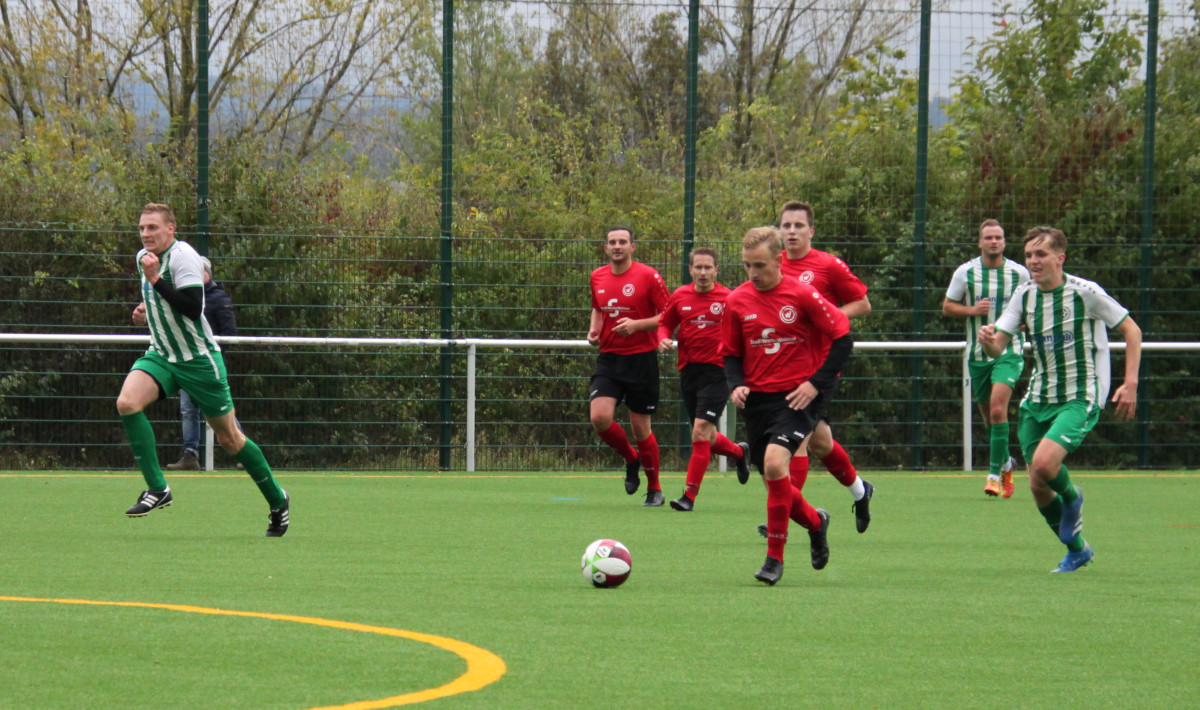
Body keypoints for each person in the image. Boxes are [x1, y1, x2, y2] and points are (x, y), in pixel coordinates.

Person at [117, 203, 290, 537]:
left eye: (153, 227)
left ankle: (277, 499)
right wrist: (144, 313)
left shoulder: (184, 257)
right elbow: (161, 303)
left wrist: (154, 280)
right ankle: (158, 489)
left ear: (171, 228)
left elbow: (193, 308)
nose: (145, 234)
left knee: (230, 438)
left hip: (197, 360)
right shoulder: (145, 257)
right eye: (142, 228)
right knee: (127, 403)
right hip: (163, 354)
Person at [978, 226, 1142, 573]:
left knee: (1044, 465)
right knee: (1037, 484)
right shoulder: (1024, 295)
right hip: (1038, 397)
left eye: (1041, 254)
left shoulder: (1085, 293)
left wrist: (1130, 383)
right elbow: (999, 346)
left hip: (1080, 395)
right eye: (1029, 256)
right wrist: (988, 339)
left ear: (1060, 258)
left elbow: (1132, 330)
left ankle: (1072, 498)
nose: (1034, 261)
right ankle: (1077, 549)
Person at [722, 226, 854, 585]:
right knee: (774, 482)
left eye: (760, 265)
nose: (752, 273)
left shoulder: (803, 294)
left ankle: (773, 560)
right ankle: (816, 523)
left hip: (797, 398)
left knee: (775, 463)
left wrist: (815, 384)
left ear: (779, 260)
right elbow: (731, 354)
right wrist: (736, 386)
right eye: (747, 265)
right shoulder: (737, 301)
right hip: (759, 402)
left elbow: (843, 339)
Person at [769, 200, 873, 533]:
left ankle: (784, 511)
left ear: (811, 231)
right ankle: (860, 490)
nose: (792, 231)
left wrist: (829, 317)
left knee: (797, 440)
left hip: (820, 367)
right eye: (786, 226)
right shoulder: (772, 265)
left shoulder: (828, 266)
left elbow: (863, 304)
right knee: (820, 441)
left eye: (799, 225)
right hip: (783, 365)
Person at [649, 247, 751, 511]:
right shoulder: (680, 295)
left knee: (699, 431)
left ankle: (689, 497)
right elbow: (664, 323)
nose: (703, 272)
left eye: (708, 267)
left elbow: (745, 330)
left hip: (718, 373)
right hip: (689, 371)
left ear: (717, 270)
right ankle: (740, 453)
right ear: (691, 269)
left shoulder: (730, 298)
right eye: (699, 267)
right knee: (706, 435)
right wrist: (662, 339)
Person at [943, 219, 1029, 498]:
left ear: (1004, 242)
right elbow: (947, 307)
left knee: (997, 410)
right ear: (980, 242)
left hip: (1009, 351)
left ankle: (994, 475)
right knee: (990, 420)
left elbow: (1033, 307)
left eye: (999, 237)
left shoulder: (1020, 273)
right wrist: (972, 310)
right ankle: (1006, 462)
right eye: (988, 237)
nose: (994, 242)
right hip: (978, 353)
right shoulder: (966, 272)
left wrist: (1027, 322)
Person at [587, 226, 671, 506]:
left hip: (641, 359)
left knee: (640, 428)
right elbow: (598, 308)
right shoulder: (597, 276)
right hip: (609, 359)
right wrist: (594, 330)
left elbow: (669, 316)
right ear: (606, 248)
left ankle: (655, 488)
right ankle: (631, 458)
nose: (617, 246)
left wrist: (637, 326)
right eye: (612, 242)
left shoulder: (649, 276)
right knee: (599, 417)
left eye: (623, 242)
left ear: (633, 247)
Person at [134, 257, 239, 471]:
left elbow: (229, 333)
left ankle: (242, 451)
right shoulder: (176, 295)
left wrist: (215, 358)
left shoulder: (218, 299)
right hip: (183, 360)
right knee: (188, 410)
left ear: (206, 273)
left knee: (219, 413)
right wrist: (142, 314)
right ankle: (190, 455)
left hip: (206, 363)